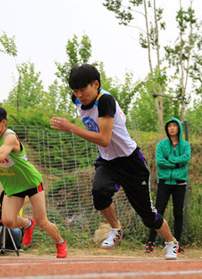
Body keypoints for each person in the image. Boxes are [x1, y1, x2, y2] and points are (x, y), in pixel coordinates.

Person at [50, 63, 180, 260]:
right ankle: (115, 228)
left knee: (147, 215)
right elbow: (103, 144)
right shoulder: (76, 99)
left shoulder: (105, 101)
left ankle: (171, 242)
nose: (79, 94)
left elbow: (104, 138)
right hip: (108, 160)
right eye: (75, 91)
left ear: (95, 84)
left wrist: (71, 127)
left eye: (83, 89)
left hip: (130, 161)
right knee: (99, 193)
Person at [0, 105, 67, 258]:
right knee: (7, 221)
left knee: (43, 221)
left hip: (30, 182)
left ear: (3, 123)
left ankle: (60, 243)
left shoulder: (10, 138)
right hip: (13, 186)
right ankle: (28, 223)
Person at [145, 117, 191, 254]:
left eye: (174, 126)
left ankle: (176, 243)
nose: (171, 128)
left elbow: (186, 158)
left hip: (180, 183)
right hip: (164, 182)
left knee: (178, 213)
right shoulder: (161, 145)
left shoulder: (186, 145)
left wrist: (169, 160)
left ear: (179, 128)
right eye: (169, 126)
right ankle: (150, 242)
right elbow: (160, 161)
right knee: (158, 212)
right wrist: (177, 163)